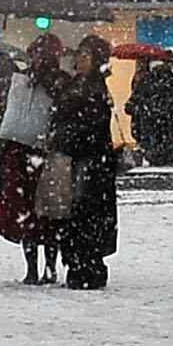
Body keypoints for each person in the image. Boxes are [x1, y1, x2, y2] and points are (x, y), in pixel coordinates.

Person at [49, 34, 121, 291]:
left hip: (89, 160)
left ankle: (86, 265)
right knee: (76, 214)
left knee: (85, 214)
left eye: (85, 56)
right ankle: (79, 264)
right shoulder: (77, 85)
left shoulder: (93, 89)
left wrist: (67, 133)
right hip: (81, 159)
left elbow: (91, 125)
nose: (79, 60)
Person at [0, 29, 63, 283]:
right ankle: (45, 268)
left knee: (32, 213)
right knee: (45, 213)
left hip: (24, 151)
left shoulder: (31, 80)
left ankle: (35, 269)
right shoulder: (55, 81)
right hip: (39, 152)